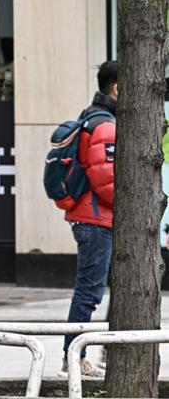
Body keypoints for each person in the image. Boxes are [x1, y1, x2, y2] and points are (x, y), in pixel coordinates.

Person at [59, 61, 118, 377]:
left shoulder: (91, 118)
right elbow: (106, 180)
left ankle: (109, 350)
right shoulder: (106, 126)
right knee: (89, 292)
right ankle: (71, 358)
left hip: (93, 218)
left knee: (112, 287)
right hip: (96, 220)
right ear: (118, 88)